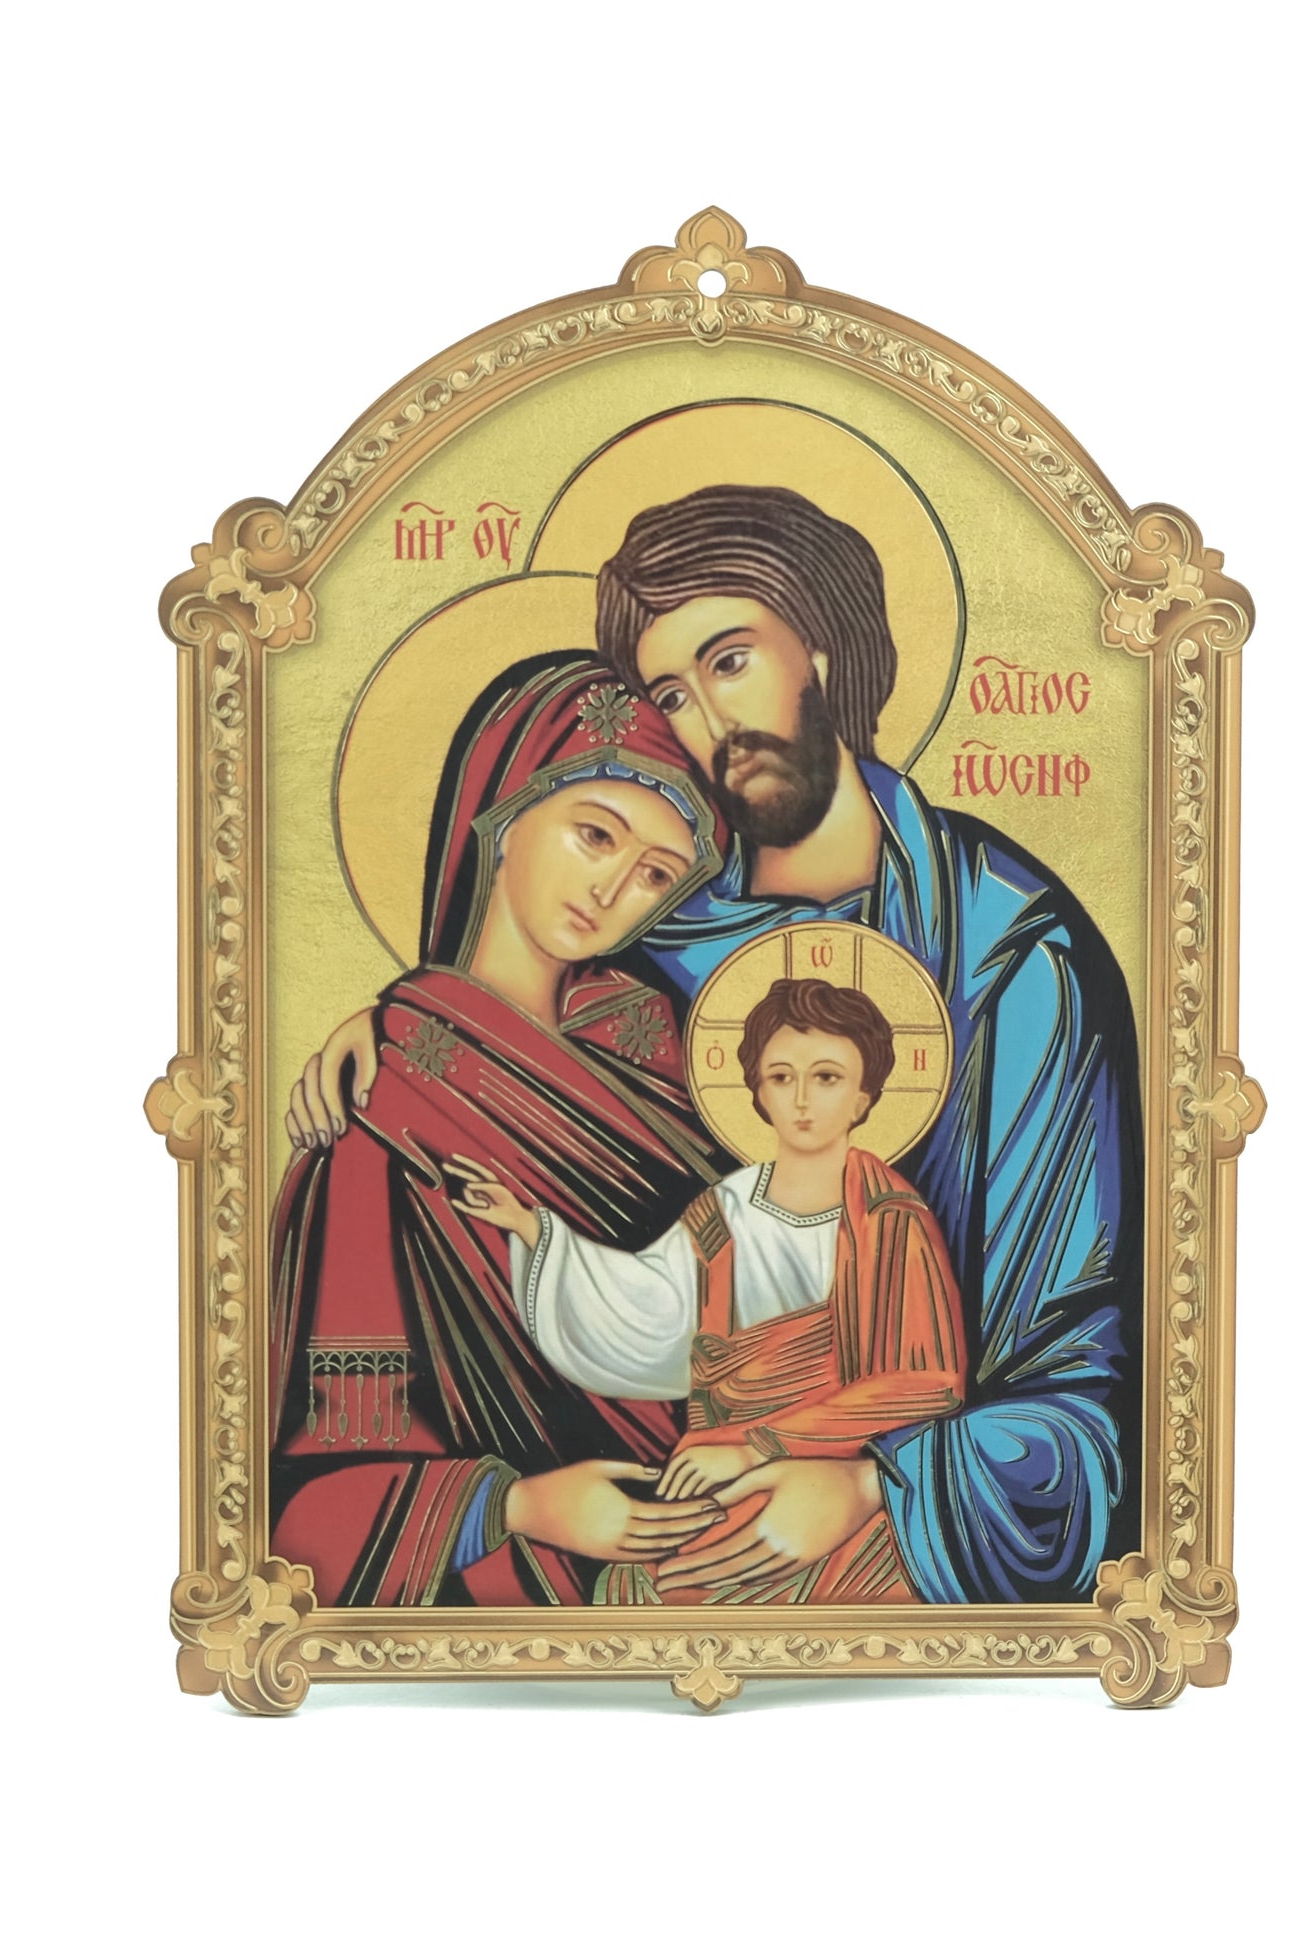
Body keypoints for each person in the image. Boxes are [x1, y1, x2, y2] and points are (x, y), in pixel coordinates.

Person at [294, 484, 1143, 1604]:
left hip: (895, 1494)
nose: (708, 723)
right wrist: (399, 1024)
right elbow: (520, 1046)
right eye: (671, 696)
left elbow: (1078, 1380)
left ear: (823, 649)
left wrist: (873, 1483)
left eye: (730, 661)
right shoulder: (656, 943)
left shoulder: (1010, 953)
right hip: (670, 1497)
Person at [268, 652, 738, 1606]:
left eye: (654, 873)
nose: (611, 891)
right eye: (594, 835)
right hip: (529, 1585)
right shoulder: (376, 1118)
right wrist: (518, 1506)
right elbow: (308, 1519)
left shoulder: (672, 1056)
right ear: (504, 809)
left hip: (728, 1527)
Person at [449, 977, 965, 1604]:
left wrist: (758, 1447)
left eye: (827, 1077)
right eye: (781, 1077)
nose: (802, 1099)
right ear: (758, 1092)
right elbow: (649, 1304)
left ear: (864, 1097)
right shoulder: (724, 1210)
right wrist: (531, 1228)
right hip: (711, 1473)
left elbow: (927, 1383)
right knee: (634, 1591)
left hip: (825, 1484)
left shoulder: (889, 1218)